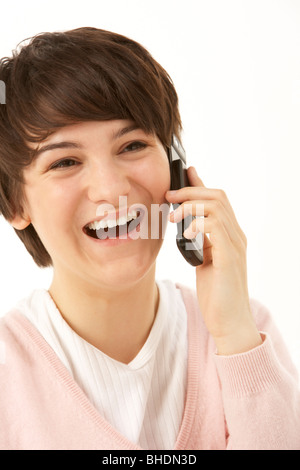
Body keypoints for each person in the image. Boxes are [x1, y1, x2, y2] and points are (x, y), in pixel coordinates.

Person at [0, 27, 299, 451]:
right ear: (14, 203)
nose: (110, 188)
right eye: (65, 161)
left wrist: (234, 337)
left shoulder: (246, 335)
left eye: (133, 145)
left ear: (177, 166)